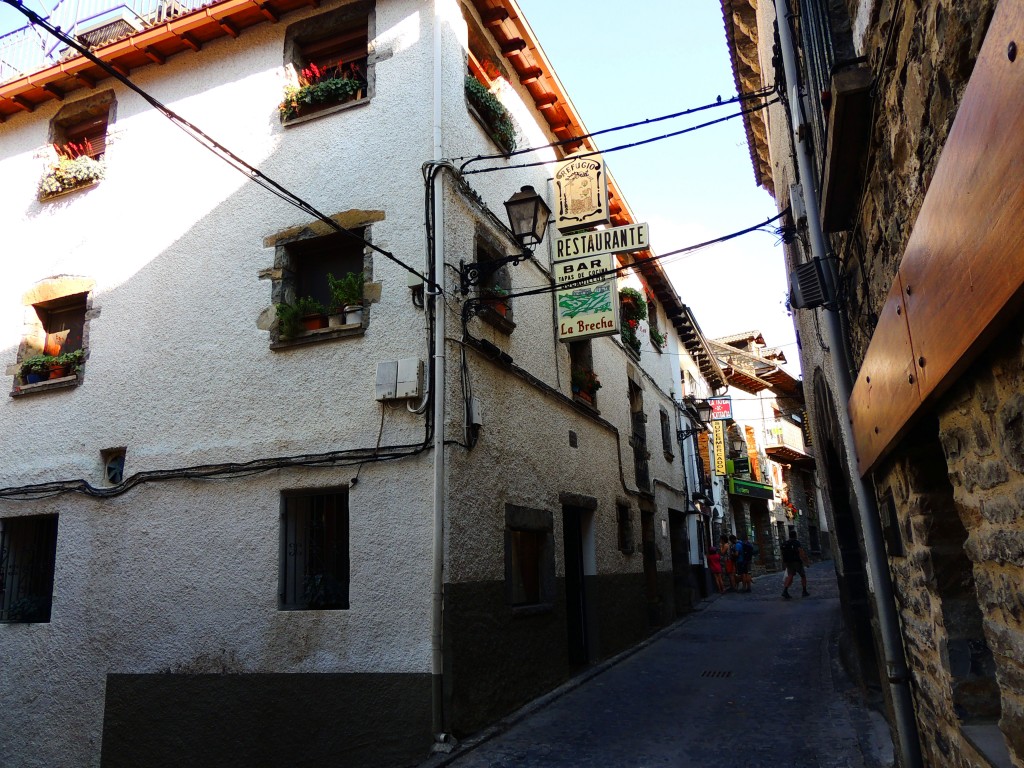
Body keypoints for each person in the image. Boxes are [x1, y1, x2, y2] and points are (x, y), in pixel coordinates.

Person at [781, 530, 810, 599]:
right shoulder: (797, 543)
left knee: (790, 575)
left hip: (788, 562)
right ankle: (804, 591)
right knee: (803, 575)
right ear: (795, 535)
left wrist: (784, 562)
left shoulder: (786, 543)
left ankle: (785, 590)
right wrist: (806, 562)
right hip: (796, 562)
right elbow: (801, 552)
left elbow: (783, 553)